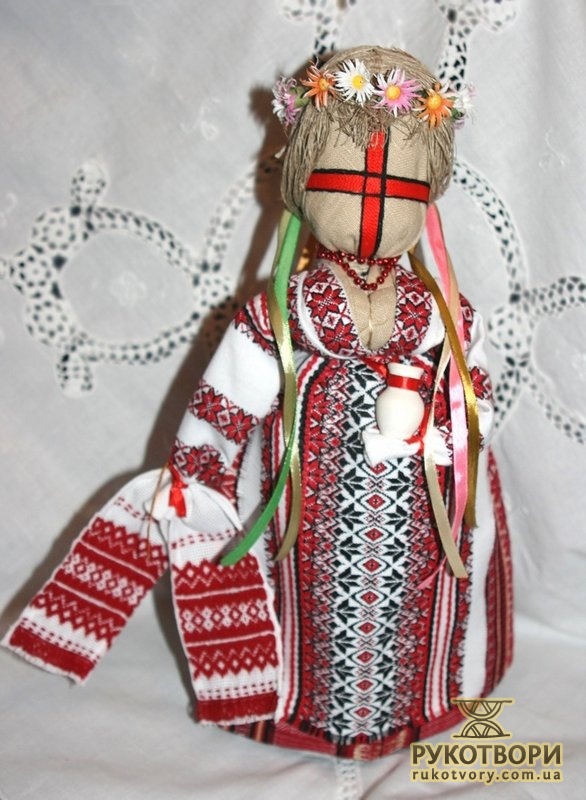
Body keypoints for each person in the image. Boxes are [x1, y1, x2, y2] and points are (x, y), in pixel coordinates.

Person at [3, 46, 513, 761]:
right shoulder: (280, 315)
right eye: (350, 184)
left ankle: (422, 700)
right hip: (301, 506)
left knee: (422, 597)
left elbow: (474, 387)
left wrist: (452, 427)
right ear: (305, 185)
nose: (372, 208)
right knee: (303, 597)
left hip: (425, 501)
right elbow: (226, 402)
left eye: (398, 188)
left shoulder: (442, 313)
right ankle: (298, 704)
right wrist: (196, 475)